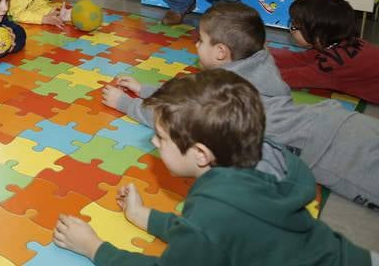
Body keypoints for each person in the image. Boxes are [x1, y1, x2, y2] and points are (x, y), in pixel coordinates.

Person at [55, 70, 376, 265]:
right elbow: (226, 238)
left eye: (161, 138)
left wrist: (95, 248)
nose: (154, 143)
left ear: (200, 154)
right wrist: (145, 217)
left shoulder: (213, 209)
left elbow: (205, 237)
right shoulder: (269, 159)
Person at [103, 2, 379, 210]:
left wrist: (125, 102)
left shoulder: (225, 91)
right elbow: (186, 96)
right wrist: (145, 90)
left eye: (200, 40)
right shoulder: (260, 61)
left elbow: (178, 115)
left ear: (221, 52)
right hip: (337, 122)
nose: (196, 44)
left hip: (333, 151)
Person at [273, 0, 379, 105]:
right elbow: (297, 59)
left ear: (318, 36)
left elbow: (284, 78)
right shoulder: (339, 41)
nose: (291, 30)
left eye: (295, 27)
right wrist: (258, 50)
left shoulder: (330, 65)